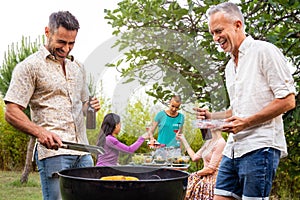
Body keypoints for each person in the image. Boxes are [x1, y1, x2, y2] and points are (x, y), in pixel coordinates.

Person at [194, 2, 296, 199]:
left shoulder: (264, 51)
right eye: (212, 34)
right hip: (233, 148)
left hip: (260, 146)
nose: (216, 38)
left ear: (237, 25)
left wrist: (247, 122)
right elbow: (237, 109)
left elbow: (287, 101)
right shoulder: (229, 67)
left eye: (219, 31)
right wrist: (212, 116)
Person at [4, 11, 101, 200]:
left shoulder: (78, 67)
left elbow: (83, 112)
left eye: (71, 43)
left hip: (83, 151)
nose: (66, 49)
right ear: (47, 32)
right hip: (55, 154)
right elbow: (11, 111)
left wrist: (90, 107)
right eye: (61, 42)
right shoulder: (30, 66)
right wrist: (40, 132)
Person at [177, 129, 226, 200]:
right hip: (204, 176)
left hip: (213, 180)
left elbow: (210, 169)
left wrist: (194, 174)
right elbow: (194, 157)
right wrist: (183, 139)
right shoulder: (209, 141)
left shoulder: (220, 143)